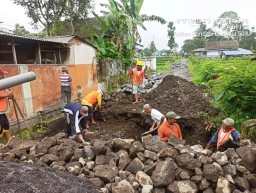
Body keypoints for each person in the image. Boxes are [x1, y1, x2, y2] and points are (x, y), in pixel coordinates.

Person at [0, 67, 13, 144]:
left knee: (6, 126)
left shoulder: (3, 84)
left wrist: (10, 95)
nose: (4, 75)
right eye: (3, 74)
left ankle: (10, 143)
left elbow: (6, 94)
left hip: (2, 111)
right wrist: (7, 95)